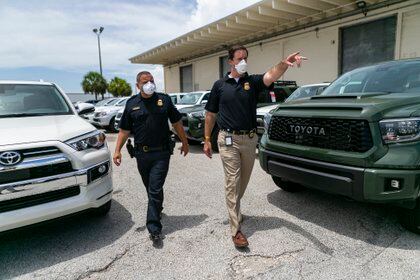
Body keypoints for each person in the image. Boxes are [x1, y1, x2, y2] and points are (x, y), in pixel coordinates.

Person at [203, 45, 306, 248]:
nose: (243, 62)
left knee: (243, 181)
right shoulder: (220, 85)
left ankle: (235, 208)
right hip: (228, 140)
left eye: (245, 58)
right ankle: (236, 230)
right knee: (232, 181)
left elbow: (271, 75)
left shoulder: (252, 81)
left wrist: (285, 63)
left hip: (249, 140)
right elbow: (210, 114)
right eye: (239, 58)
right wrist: (207, 138)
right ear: (230, 61)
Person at [113, 71, 189, 243]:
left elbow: (176, 122)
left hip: (161, 153)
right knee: (151, 188)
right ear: (138, 85)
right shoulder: (132, 103)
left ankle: (154, 227)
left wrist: (184, 142)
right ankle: (158, 207)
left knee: (154, 188)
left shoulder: (164, 99)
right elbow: (124, 130)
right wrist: (117, 150)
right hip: (141, 154)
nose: (150, 84)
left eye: (152, 81)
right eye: (146, 81)